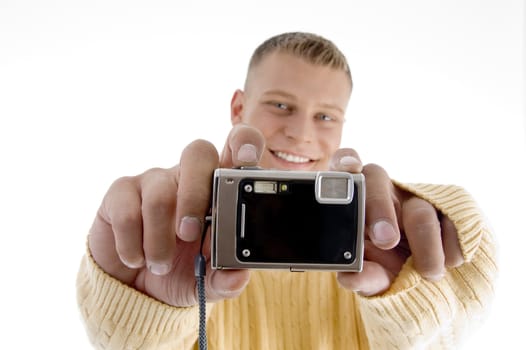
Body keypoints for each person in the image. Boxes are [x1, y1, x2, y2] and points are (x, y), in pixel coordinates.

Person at [77, 32, 497, 349]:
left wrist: (416, 281)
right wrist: (142, 303)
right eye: (281, 105)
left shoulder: (377, 246)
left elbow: (446, 333)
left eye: (326, 117)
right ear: (238, 107)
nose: (300, 134)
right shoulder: (174, 233)